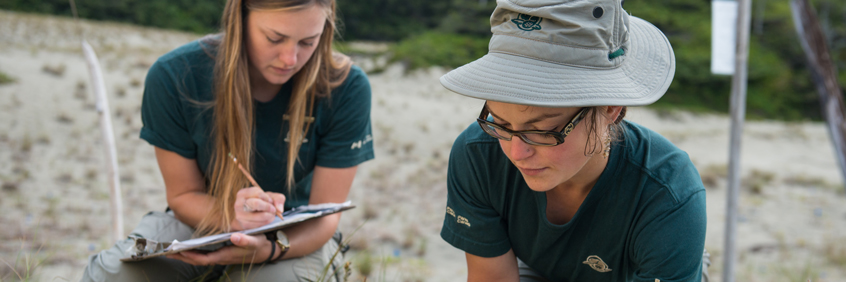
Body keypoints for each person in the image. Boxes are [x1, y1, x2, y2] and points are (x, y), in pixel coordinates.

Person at [81, 0, 373, 281]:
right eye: (274, 38)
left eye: (308, 42)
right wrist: (232, 218)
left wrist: (270, 249)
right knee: (112, 273)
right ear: (241, 18)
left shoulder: (346, 87)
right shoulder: (175, 76)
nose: (290, 59)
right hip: (201, 222)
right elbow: (182, 196)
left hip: (297, 236)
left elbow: (325, 215)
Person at [438, 0, 709, 281]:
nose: (516, 152)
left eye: (543, 131)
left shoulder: (668, 195)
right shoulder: (479, 153)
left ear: (610, 108)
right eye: (501, 123)